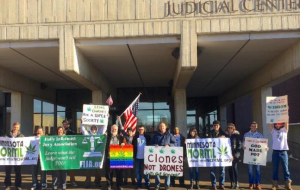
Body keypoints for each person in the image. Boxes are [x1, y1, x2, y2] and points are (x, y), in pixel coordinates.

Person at [150, 122, 176, 190]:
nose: (162, 127)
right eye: (160, 126)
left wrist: (169, 145)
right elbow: (151, 143)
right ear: (159, 128)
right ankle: (157, 185)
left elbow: (175, 143)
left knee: (167, 170)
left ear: (165, 127)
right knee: (157, 170)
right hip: (157, 156)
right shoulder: (155, 135)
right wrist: (154, 145)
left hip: (167, 155)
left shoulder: (169, 135)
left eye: (163, 126)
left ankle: (167, 185)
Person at [243, 121, 269, 190]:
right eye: (252, 126)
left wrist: (266, 147)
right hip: (249, 156)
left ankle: (258, 184)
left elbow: (263, 145)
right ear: (250, 126)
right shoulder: (246, 135)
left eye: (255, 126)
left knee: (257, 170)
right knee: (250, 170)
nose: (253, 127)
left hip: (258, 156)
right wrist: (243, 146)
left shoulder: (260, 135)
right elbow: (243, 143)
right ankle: (251, 183)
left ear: (256, 127)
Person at [269, 122, 293, 190]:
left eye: (278, 124)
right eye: (276, 124)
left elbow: (287, 122)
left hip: (283, 151)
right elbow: (270, 123)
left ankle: (287, 183)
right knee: (275, 168)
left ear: (281, 124)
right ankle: (274, 184)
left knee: (286, 168)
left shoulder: (284, 130)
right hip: (275, 152)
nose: (277, 125)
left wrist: (285, 112)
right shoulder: (273, 131)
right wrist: (270, 114)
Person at [80, 121, 103, 188]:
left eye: (95, 128)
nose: (93, 129)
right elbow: (83, 130)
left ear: (96, 129)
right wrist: (82, 122)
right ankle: (88, 183)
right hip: (89, 156)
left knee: (97, 170)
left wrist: (106, 119)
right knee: (88, 170)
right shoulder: (88, 134)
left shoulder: (99, 134)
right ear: (90, 128)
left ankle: (97, 182)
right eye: (92, 128)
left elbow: (103, 129)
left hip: (96, 156)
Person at [207, 120, 228, 190]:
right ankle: (214, 184)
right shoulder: (210, 133)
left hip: (221, 155)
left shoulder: (224, 133)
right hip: (212, 154)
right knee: (212, 170)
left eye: (217, 125)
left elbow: (229, 141)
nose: (216, 126)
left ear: (219, 126)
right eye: (214, 125)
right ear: (213, 126)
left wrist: (225, 138)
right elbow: (206, 141)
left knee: (222, 170)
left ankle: (222, 184)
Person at [105, 124, 127, 190]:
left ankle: (119, 186)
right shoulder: (107, 137)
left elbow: (125, 142)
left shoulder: (121, 137)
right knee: (109, 173)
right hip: (109, 157)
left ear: (117, 130)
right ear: (111, 129)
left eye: (115, 129)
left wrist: (124, 144)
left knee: (119, 173)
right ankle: (109, 185)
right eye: (113, 129)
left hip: (118, 158)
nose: (114, 130)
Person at [4, 122, 24, 190]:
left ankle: (18, 185)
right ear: (13, 127)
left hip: (17, 157)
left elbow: (25, 144)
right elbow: (3, 143)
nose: (15, 128)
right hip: (8, 157)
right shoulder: (7, 135)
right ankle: (8, 185)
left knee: (18, 172)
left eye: (17, 127)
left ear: (19, 128)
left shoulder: (22, 136)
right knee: (8, 172)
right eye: (15, 127)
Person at [132, 125, 151, 190]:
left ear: (144, 130)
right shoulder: (135, 137)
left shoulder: (147, 137)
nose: (141, 130)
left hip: (146, 157)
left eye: (142, 129)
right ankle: (139, 185)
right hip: (137, 157)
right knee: (138, 172)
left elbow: (151, 145)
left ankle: (147, 184)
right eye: (139, 129)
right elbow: (132, 146)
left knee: (146, 171)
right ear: (138, 130)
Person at [62, 120, 77, 187]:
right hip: (62, 153)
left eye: (66, 124)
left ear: (69, 125)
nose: (65, 125)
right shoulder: (59, 132)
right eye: (64, 124)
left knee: (71, 168)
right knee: (62, 168)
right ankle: (62, 182)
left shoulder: (72, 132)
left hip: (70, 152)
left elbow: (75, 141)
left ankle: (72, 181)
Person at [226, 123, 242, 189]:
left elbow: (239, 145)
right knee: (229, 169)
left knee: (234, 168)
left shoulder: (236, 135)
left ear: (233, 128)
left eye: (231, 128)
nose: (230, 129)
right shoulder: (225, 135)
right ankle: (232, 182)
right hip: (227, 155)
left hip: (235, 155)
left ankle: (237, 182)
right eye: (229, 127)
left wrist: (234, 155)